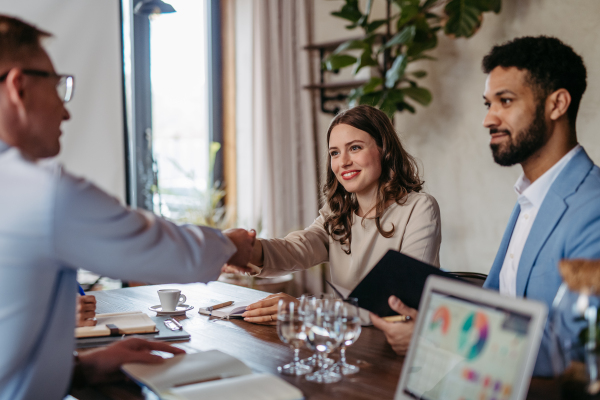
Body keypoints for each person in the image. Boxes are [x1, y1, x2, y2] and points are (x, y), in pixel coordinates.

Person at [0, 15, 256, 400]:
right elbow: (170, 252)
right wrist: (232, 245)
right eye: (58, 87)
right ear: (19, 86)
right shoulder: (38, 193)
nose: (66, 112)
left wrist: (82, 368)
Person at [372, 36, 600, 377]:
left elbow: (574, 349)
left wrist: (435, 334)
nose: (488, 120)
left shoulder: (592, 208)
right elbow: (498, 305)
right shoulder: (532, 197)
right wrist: (427, 313)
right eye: (488, 104)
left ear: (558, 104)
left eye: (505, 101)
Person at [225, 104, 442, 324]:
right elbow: (296, 248)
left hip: (397, 344)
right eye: (335, 153)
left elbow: (398, 301)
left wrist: (307, 308)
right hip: (345, 340)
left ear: (384, 150)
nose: (343, 161)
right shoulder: (338, 213)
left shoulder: (420, 208)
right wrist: (245, 250)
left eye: (355, 148)